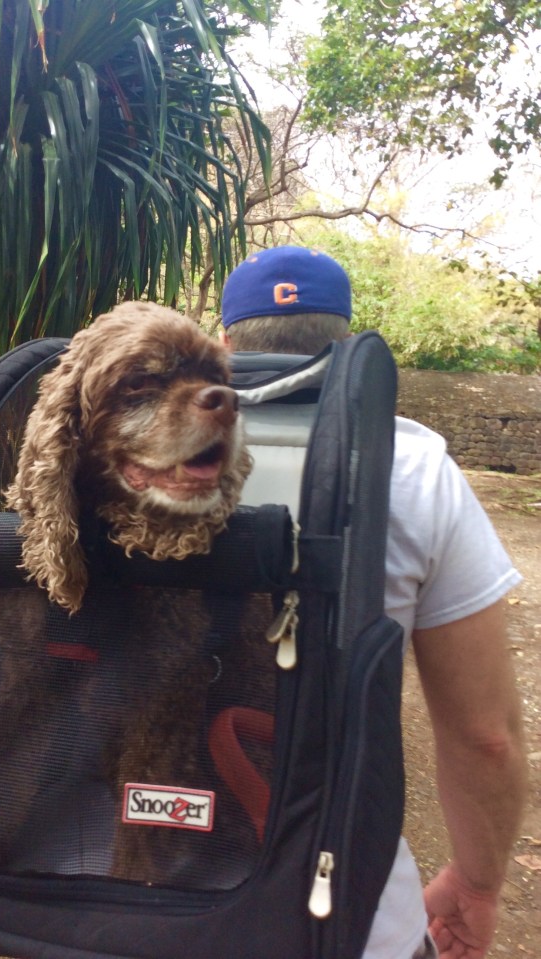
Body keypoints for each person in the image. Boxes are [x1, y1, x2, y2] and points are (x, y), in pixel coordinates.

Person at [220, 246, 528, 959]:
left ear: (224, 344)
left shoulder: (124, 451)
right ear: (351, 344)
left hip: (112, 896)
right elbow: (484, 737)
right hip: (338, 915)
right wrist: (477, 886)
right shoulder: (414, 469)